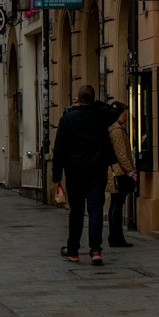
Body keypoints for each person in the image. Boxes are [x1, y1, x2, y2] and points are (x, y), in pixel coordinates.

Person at [52, 85, 122, 265]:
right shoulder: (101, 115)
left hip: (74, 172)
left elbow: (59, 148)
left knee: (76, 211)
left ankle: (73, 250)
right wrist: (97, 103)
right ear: (93, 98)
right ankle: (96, 250)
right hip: (97, 171)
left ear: (77, 98)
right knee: (95, 210)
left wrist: (56, 175)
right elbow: (117, 109)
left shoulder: (68, 118)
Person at [107, 103, 137, 248]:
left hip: (115, 171)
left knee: (115, 204)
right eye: (124, 114)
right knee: (117, 205)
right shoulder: (117, 130)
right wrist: (130, 171)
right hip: (118, 172)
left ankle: (114, 236)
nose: (126, 117)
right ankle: (116, 237)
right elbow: (121, 154)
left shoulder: (112, 128)